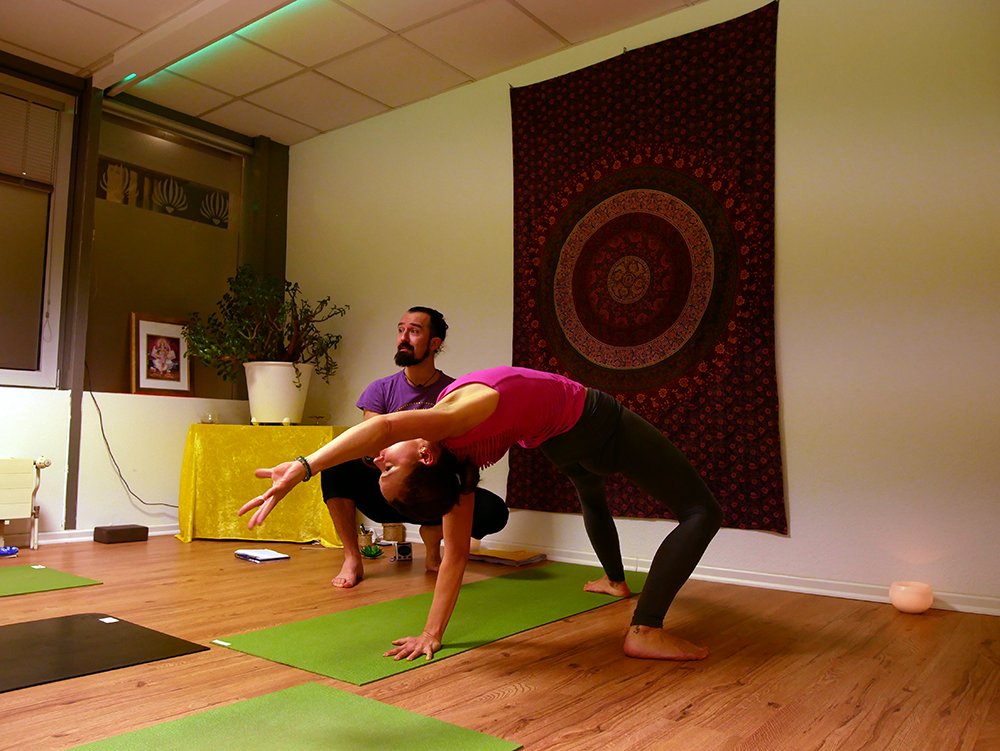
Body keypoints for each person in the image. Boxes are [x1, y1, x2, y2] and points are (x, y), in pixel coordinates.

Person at [240, 366, 722, 663]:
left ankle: (615, 581)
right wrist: (304, 467)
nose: (378, 458)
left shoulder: (458, 464)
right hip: (594, 422)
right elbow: (383, 425)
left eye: (380, 466)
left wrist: (432, 635)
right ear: (424, 458)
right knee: (702, 511)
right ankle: (647, 628)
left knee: (590, 492)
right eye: (388, 466)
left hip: (557, 440)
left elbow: (451, 559)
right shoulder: (453, 424)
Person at [319, 307, 508, 588]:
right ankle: (351, 557)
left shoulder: (456, 391)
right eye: (400, 330)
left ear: (435, 343)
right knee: (335, 463)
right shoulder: (380, 391)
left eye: (414, 331)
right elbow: (373, 449)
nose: (403, 338)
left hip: (435, 493)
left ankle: (434, 540)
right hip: (389, 492)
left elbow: (460, 454)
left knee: (494, 512)